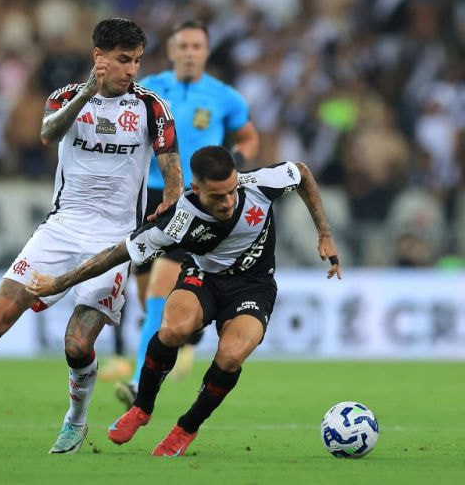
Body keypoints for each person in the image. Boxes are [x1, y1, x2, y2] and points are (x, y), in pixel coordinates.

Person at [0, 17, 183, 455]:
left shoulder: (152, 108)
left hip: (115, 239)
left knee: (77, 344)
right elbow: (47, 133)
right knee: (0, 312)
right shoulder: (65, 97)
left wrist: (169, 206)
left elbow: (172, 171)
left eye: (137, 60)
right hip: (61, 228)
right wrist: (87, 92)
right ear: (98, 57)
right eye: (124, 60)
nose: (132, 70)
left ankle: (75, 419)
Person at [27, 146, 341, 456]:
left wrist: (324, 232)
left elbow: (301, 173)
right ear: (196, 188)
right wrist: (59, 282)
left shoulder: (259, 184)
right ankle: (141, 408)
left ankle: (186, 428)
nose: (228, 202)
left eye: (231, 191)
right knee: (173, 329)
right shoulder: (177, 220)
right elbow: (116, 254)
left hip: (253, 287)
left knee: (231, 356)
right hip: (203, 279)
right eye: (217, 196)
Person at [119, 20, 259, 408]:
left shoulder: (224, 97)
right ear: (171, 51)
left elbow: (249, 137)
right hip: (147, 195)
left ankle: (138, 382)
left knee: (160, 288)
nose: (190, 53)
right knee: (146, 296)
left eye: (197, 46)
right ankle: (191, 333)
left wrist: (233, 165)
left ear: (206, 52)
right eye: (183, 46)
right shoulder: (147, 90)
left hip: (193, 199)